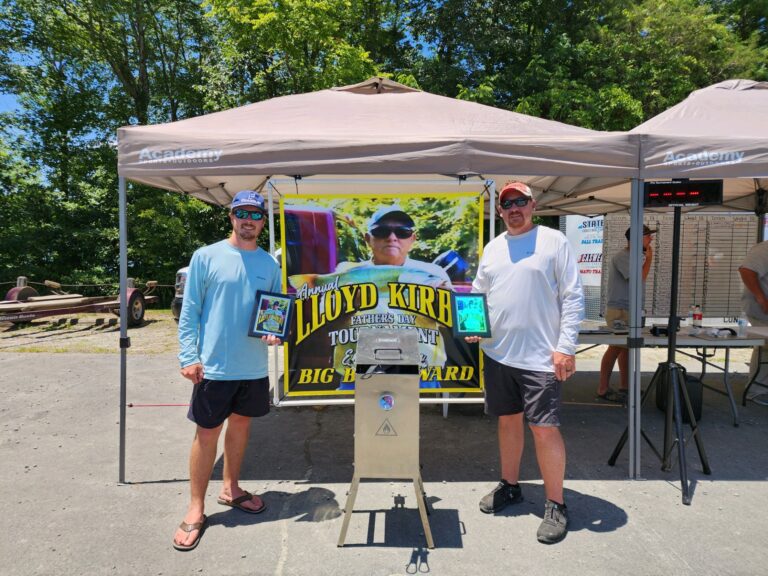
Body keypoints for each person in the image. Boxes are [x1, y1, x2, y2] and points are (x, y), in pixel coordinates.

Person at [467, 181, 584, 544]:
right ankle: (510, 485)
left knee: (544, 428)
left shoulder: (554, 242)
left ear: (533, 205)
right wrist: (473, 323)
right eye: (507, 203)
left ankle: (556, 503)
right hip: (499, 353)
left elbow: (573, 295)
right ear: (499, 211)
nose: (513, 208)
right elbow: (478, 292)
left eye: (520, 201)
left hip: (540, 357)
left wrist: (565, 347)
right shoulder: (493, 248)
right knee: (508, 421)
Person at [173, 190, 282, 551]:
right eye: (242, 213)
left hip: (252, 366)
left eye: (255, 214)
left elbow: (275, 313)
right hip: (214, 367)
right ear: (231, 217)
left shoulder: (270, 264)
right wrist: (188, 356)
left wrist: (274, 333)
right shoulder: (206, 257)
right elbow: (189, 312)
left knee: (241, 426)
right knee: (207, 435)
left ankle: (231, 488)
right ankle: (195, 508)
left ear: (263, 221)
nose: (248, 219)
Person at [328, 205, 453, 389]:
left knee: (423, 418)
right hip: (358, 371)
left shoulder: (433, 273)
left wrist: (445, 304)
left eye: (402, 232)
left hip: (421, 372)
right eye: (382, 231)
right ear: (368, 239)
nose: (392, 237)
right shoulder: (346, 272)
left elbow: (452, 322)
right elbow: (328, 324)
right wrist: (347, 306)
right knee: (360, 419)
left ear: (413, 238)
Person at [597, 225, 655, 403]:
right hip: (619, 310)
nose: (650, 240)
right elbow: (639, 279)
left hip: (629, 308)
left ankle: (625, 386)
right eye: (647, 237)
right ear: (637, 239)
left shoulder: (635, 256)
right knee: (615, 348)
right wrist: (650, 259)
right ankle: (602, 389)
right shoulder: (623, 256)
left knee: (626, 349)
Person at [738, 241, 768, 391]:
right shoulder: (765, 249)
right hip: (762, 311)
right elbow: (747, 271)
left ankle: (758, 388)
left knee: (765, 348)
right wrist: (762, 298)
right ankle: (757, 390)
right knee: (765, 347)